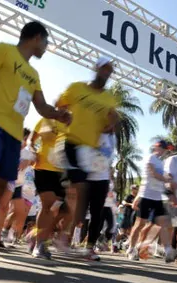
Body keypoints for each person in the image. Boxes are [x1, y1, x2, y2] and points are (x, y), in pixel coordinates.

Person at [0, 21, 71, 264]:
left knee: (0, 188)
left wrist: (58, 114)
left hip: (13, 134)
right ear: (37, 37)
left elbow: (41, 106)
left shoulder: (34, 74)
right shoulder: (2, 50)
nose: (46, 47)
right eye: (46, 42)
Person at [54, 57, 119, 259]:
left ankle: (88, 247)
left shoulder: (109, 99)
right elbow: (58, 105)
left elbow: (114, 117)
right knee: (76, 194)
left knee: (97, 203)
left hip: (95, 156)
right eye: (104, 68)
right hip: (73, 145)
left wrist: (113, 122)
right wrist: (62, 115)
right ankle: (54, 234)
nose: (107, 73)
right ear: (96, 68)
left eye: (110, 70)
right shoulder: (76, 88)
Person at [126, 140, 177, 263]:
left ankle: (168, 250)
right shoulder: (151, 158)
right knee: (140, 224)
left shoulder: (161, 162)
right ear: (157, 147)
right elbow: (153, 174)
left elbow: (164, 178)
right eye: (164, 149)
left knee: (163, 224)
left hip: (157, 198)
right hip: (146, 196)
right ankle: (131, 249)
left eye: (167, 150)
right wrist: (166, 178)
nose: (165, 151)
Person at [29, 117, 70, 258]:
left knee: (64, 210)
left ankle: (37, 234)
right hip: (44, 167)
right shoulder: (45, 120)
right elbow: (31, 140)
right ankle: (40, 244)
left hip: (63, 171)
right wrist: (33, 150)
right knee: (48, 204)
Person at [82, 131, 117, 261]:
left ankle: (89, 248)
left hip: (102, 180)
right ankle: (51, 237)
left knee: (97, 216)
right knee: (76, 214)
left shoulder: (113, 137)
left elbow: (109, 158)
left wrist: (108, 179)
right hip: (85, 177)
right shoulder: (92, 128)